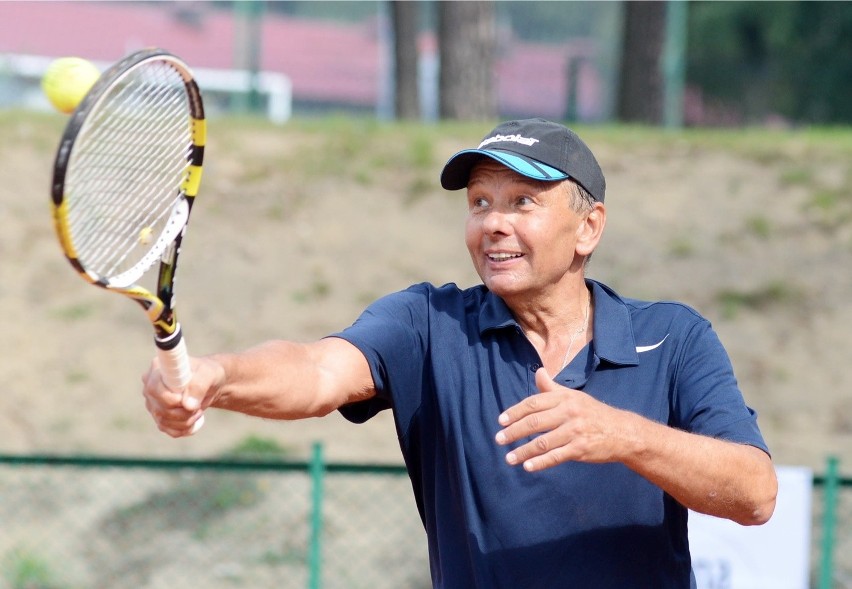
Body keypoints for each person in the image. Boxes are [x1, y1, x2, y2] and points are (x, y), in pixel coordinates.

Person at [142, 118, 777, 588]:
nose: (493, 223)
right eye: (480, 203)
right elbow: (316, 371)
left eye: (522, 202)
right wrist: (216, 377)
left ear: (589, 227)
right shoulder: (428, 323)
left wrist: (623, 435)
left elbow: (755, 494)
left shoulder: (674, 336)